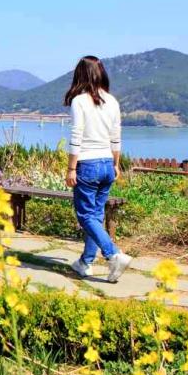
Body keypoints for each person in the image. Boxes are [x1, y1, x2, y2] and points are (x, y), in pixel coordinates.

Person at [63, 55, 133, 282]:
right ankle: (86, 262)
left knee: (85, 216)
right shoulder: (112, 101)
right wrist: (115, 163)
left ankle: (113, 254)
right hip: (106, 164)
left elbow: (76, 137)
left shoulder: (79, 101)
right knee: (95, 215)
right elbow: (116, 137)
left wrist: (71, 168)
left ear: (80, 75)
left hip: (87, 164)